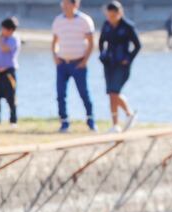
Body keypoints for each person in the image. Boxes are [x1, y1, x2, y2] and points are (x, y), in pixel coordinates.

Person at [52, 0, 96, 133]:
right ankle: (64, 122)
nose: (64, 6)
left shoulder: (84, 20)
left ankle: (90, 121)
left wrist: (85, 61)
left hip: (78, 63)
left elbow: (91, 42)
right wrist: (55, 57)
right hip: (62, 63)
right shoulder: (58, 20)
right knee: (60, 94)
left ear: (75, 4)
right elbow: (54, 41)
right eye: (63, 4)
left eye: (67, 4)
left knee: (83, 93)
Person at [98, 1, 140, 133]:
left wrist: (128, 59)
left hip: (122, 65)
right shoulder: (106, 25)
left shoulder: (128, 26)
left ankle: (121, 121)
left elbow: (137, 45)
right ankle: (124, 118)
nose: (110, 18)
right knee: (111, 93)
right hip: (109, 63)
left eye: (112, 16)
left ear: (119, 13)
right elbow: (101, 41)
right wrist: (102, 54)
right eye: (108, 16)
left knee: (114, 92)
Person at [0, 17, 21, 127]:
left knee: (11, 97)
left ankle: (13, 121)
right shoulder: (0, 39)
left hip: (9, 72)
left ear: (11, 30)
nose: (2, 31)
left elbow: (6, 49)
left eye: (4, 29)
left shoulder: (14, 39)